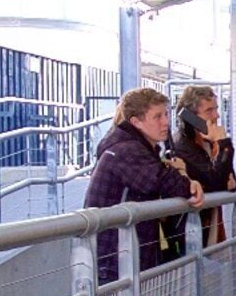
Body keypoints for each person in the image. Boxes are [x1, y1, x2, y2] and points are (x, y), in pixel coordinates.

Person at [82, 86, 199, 268]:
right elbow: (166, 183)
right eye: (157, 116)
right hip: (116, 262)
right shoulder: (127, 150)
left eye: (166, 114)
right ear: (136, 122)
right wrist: (187, 180)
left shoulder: (133, 147)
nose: (165, 123)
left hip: (123, 257)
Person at [172, 85, 236, 247]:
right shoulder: (182, 145)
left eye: (216, 109)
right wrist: (223, 144)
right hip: (191, 231)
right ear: (189, 116)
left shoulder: (209, 142)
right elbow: (217, 182)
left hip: (209, 227)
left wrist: (226, 178)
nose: (216, 116)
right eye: (209, 111)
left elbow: (232, 182)